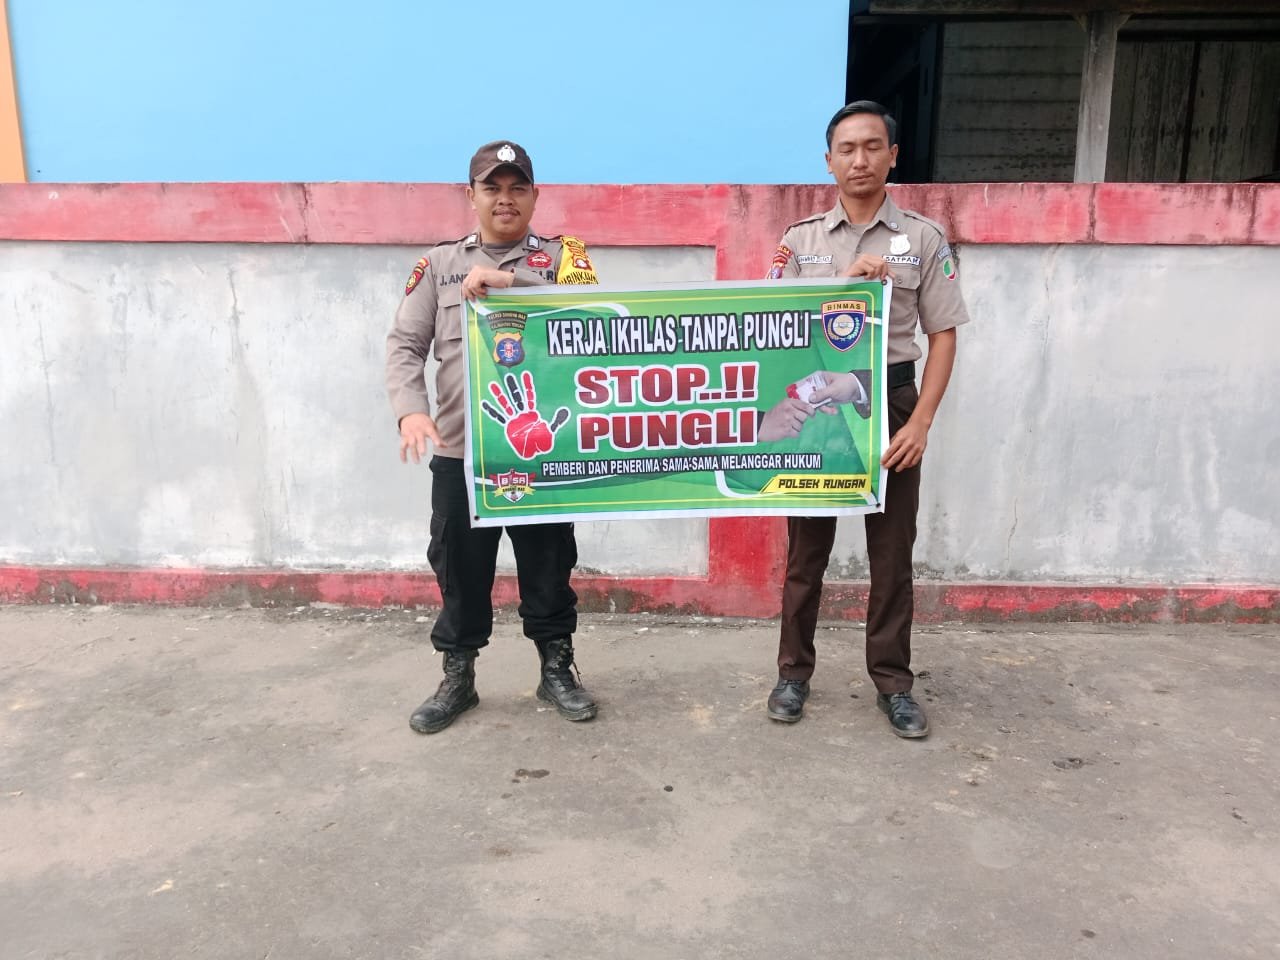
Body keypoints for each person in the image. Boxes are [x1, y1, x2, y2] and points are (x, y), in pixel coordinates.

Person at [761, 101, 970, 738]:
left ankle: (894, 683)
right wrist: (841, 286)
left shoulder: (923, 240)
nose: (860, 160)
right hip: (819, 407)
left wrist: (921, 422)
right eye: (847, 149)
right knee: (806, 554)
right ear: (828, 161)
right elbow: (770, 323)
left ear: (893, 156)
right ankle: (793, 674)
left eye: (873, 147)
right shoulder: (800, 241)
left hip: (892, 403)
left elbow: (943, 335)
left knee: (891, 555)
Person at [385, 140, 599, 734]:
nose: (505, 199)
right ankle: (458, 676)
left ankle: (556, 669)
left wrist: (511, 282)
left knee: (549, 565)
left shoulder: (564, 257)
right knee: (459, 569)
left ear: (535, 195)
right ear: (471, 195)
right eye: (492, 188)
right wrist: (410, 412)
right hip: (462, 450)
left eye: (517, 188)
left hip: (542, 452)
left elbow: (592, 310)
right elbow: (405, 345)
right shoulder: (439, 265)